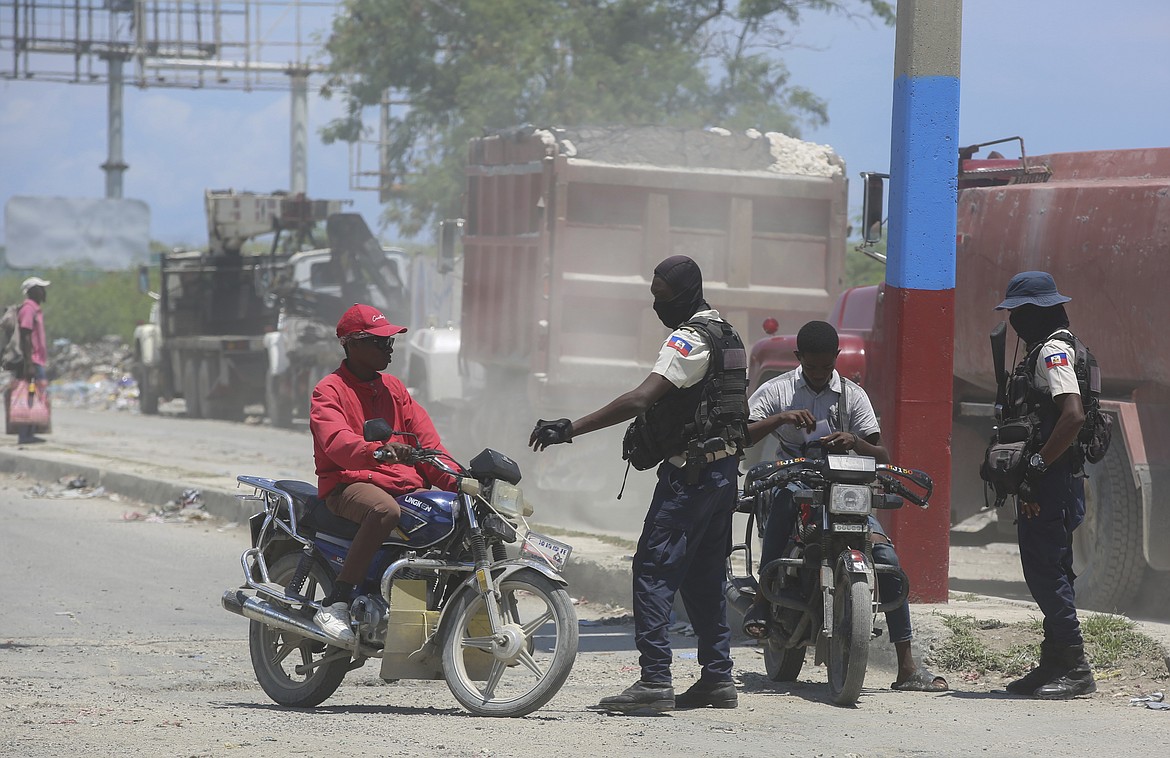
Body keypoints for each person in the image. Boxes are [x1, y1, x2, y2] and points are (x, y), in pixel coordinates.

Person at [529, 255, 747, 713]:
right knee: (704, 574)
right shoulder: (728, 334)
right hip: (723, 474)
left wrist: (571, 428)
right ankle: (718, 678)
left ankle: (653, 681)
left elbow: (642, 397)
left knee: (652, 569)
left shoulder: (690, 339)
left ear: (687, 294)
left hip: (691, 476)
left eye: (662, 299)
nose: (656, 307)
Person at [743, 320, 947, 692]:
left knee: (887, 561)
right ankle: (760, 601)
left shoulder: (853, 395)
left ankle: (907, 666)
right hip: (795, 478)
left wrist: (854, 440)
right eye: (812, 366)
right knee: (786, 501)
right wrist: (781, 418)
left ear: (836, 359)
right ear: (798, 358)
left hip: (845, 486)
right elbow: (743, 432)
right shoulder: (777, 389)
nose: (820, 374)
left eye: (826, 366)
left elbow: (880, 452)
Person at [309, 303, 456, 644]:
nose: (387, 348)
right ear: (352, 344)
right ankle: (338, 602)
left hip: (403, 486)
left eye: (389, 341)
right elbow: (336, 442)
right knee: (384, 511)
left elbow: (430, 445)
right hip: (350, 483)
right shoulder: (328, 389)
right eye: (378, 342)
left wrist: (462, 481)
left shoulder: (395, 389)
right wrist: (375, 451)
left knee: (454, 512)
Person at [993, 271, 1095, 699]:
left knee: (1043, 570)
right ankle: (1053, 661)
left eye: (1017, 312)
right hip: (1058, 476)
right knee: (1054, 568)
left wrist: (1034, 466)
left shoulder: (1052, 350)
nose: (1013, 321)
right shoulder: (1062, 345)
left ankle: (1074, 665)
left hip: (1049, 479)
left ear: (1035, 312)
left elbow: (1072, 415)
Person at [17, 277, 51, 445]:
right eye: (40, 288)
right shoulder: (28, 309)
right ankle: (25, 434)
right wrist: (29, 363)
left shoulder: (36, 309)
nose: (44, 292)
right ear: (31, 292)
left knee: (36, 395)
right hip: (33, 362)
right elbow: (26, 334)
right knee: (30, 395)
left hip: (37, 361)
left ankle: (30, 432)